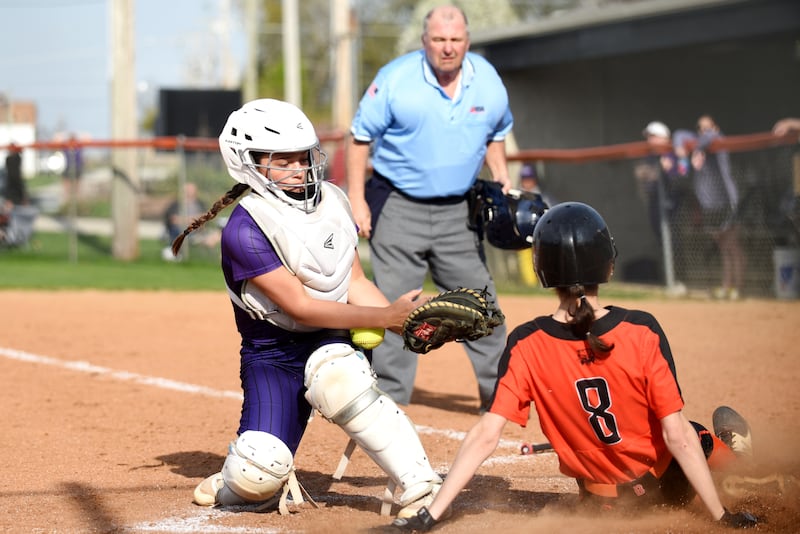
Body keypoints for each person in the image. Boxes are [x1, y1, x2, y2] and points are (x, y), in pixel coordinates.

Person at [392, 201, 759, 531]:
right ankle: (739, 463)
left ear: (541, 270)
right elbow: (676, 436)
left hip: (603, 504)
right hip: (664, 484)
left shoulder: (525, 342)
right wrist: (722, 517)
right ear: (608, 265)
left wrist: (428, 517)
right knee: (693, 432)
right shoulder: (640, 329)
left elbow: (486, 436)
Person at [171, 98, 443, 519]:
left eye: (304, 157)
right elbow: (300, 308)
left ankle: (420, 486)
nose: (300, 169)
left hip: (331, 340)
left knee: (337, 373)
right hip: (274, 355)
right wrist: (384, 318)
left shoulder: (332, 200)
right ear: (249, 163)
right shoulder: (244, 229)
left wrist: (403, 323)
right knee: (257, 475)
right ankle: (235, 479)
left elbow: (353, 281)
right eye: (285, 161)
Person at [346, 4, 513, 411]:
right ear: (425, 42)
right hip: (399, 205)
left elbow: (496, 132)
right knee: (397, 310)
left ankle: (501, 401)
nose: (448, 48)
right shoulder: (395, 78)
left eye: (455, 40)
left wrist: (502, 174)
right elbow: (358, 138)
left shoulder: (488, 81)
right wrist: (356, 199)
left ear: (467, 42)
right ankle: (386, 404)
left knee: (482, 309)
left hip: (459, 212)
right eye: (439, 40)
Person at [690, 115, 745, 300]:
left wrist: (698, 146)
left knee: (733, 246)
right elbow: (682, 137)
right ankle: (727, 286)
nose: (706, 132)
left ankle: (738, 288)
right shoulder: (702, 150)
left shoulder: (717, 140)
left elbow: (710, 138)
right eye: (702, 128)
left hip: (729, 203)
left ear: (716, 128)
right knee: (723, 248)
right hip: (711, 207)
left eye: (709, 127)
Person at [161, 181, 220, 261]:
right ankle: (179, 254)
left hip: (199, 231)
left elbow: (207, 216)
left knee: (218, 234)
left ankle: (214, 258)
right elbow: (173, 220)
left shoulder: (200, 203)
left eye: (191, 190)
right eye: (187, 190)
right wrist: (194, 219)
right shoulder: (176, 204)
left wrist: (186, 219)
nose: (189, 192)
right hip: (182, 231)